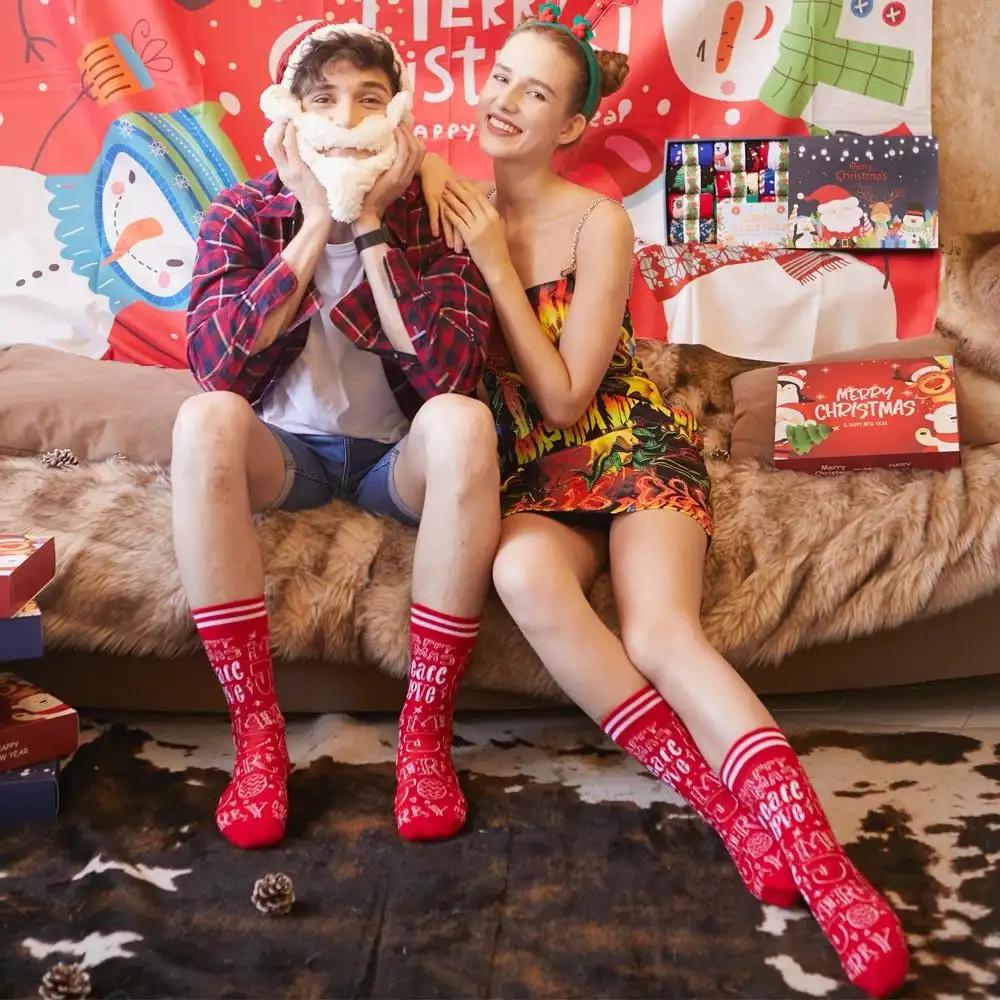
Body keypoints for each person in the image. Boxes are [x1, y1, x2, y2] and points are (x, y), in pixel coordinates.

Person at [425, 7, 908, 997]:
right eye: (500, 77)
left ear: (569, 125)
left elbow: (568, 396)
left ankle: (827, 869)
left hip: (625, 441)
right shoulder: (449, 205)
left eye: (534, 92)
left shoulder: (595, 221)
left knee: (660, 633)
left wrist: (495, 267)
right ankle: (722, 805)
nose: (504, 101)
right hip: (532, 474)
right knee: (520, 573)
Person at [174, 20, 500, 851]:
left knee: (465, 421)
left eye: (369, 99)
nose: (348, 120)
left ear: (400, 117)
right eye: (325, 100)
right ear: (289, 115)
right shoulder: (242, 211)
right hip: (289, 458)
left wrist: (374, 226)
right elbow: (216, 363)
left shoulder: (437, 216)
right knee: (204, 418)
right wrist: (318, 220)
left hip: (396, 461)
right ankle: (257, 737)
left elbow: (450, 376)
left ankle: (425, 735)